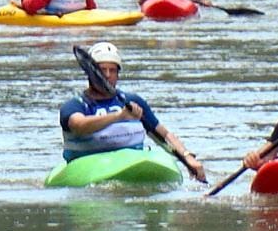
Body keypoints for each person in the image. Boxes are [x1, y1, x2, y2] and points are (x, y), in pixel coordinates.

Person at [60, 41, 206, 180]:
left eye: (113, 70)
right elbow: (79, 125)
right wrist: (119, 115)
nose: (107, 75)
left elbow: (163, 134)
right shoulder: (76, 104)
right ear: (92, 73)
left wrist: (187, 157)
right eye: (102, 70)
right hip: (87, 165)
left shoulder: (133, 101)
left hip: (132, 161)